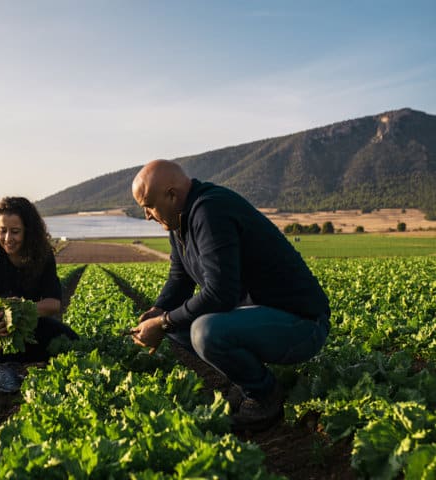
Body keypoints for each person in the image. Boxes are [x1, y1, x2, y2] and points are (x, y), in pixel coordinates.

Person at [129, 159, 330, 431]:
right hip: (261, 317)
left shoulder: (209, 211)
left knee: (204, 330)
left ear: (172, 195)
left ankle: (264, 395)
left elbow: (220, 294)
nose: (147, 216)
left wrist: (163, 321)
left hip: (301, 324)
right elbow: (180, 278)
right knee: (177, 327)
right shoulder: (180, 222)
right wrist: (157, 311)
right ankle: (247, 380)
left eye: (148, 206)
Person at [0, 196, 78, 393]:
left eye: (15, 232)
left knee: (69, 339)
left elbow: (53, 303)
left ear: (28, 232)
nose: (7, 238)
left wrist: (21, 310)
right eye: (2, 231)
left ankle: (12, 363)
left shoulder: (42, 257)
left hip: (25, 322)